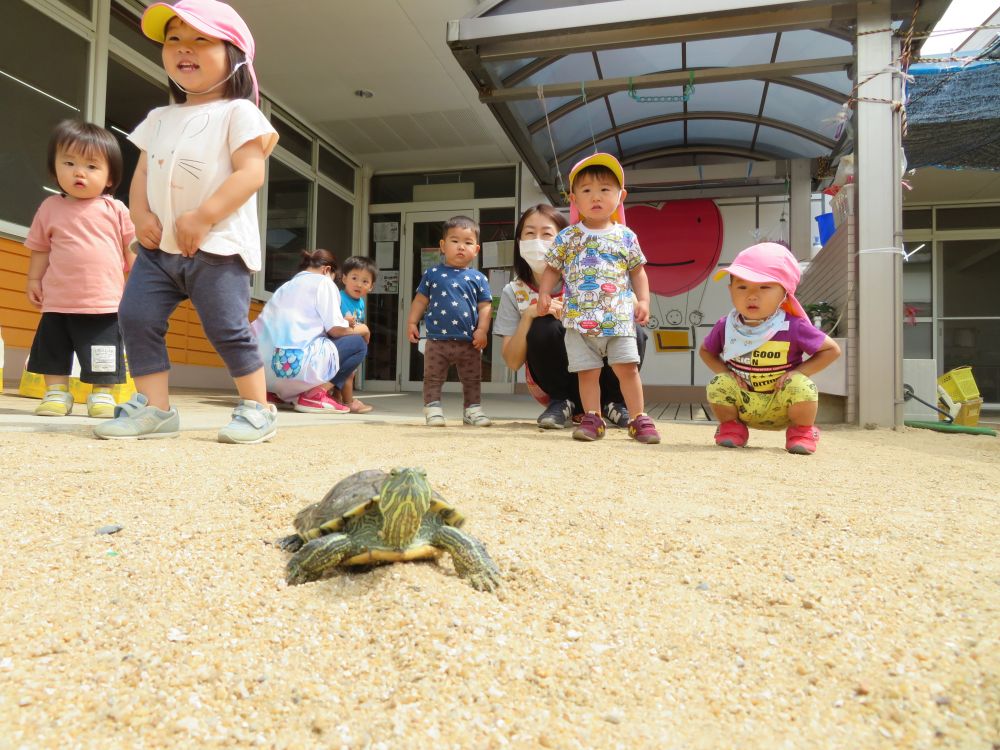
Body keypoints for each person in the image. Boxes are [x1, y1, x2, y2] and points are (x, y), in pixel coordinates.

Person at [95, 0, 279, 443]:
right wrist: (139, 215)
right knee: (135, 316)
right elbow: (141, 174)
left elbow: (251, 172)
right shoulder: (159, 117)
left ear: (234, 55)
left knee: (227, 328)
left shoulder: (239, 113)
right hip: (159, 250)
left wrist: (203, 216)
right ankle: (155, 410)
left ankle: (258, 407)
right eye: (174, 39)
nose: (183, 48)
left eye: (200, 39)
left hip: (218, 247)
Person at [537, 154, 660, 444]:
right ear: (574, 199)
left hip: (617, 319)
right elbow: (552, 268)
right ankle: (593, 417)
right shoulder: (567, 237)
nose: (596, 197)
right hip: (579, 320)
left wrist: (644, 301)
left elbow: (638, 272)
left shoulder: (626, 236)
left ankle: (639, 417)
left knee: (628, 368)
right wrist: (544, 292)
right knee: (587, 372)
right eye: (587, 191)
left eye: (605, 189)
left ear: (621, 196)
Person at [493, 204, 649, 430]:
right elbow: (513, 361)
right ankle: (562, 401)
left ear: (565, 240)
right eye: (529, 233)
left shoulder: (587, 274)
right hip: (556, 384)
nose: (538, 241)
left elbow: (631, 291)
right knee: (543, 326)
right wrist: (529, 315)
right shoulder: (513, 291)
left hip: (601, 376)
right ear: (519, 242)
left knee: (634, 332)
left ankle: (614, 402)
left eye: (547, 233)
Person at [24, 120, 135, 419]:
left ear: (110, 177)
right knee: (52, 350)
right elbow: (41, 248)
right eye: (69, 163)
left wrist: (137, 286)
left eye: (91, 166)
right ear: (54, 168)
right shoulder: (50, 208)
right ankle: (57, 393)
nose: (79, 172)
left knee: (103, 352)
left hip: (104, 302)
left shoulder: (116, 210)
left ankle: (101, 395)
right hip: (58, 300)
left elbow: (131, 250)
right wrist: (34, 279)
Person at [700, 242, 842, 455]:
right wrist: (726, 373)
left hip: (781, 403)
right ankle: (731, 427)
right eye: (742, 287)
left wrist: (798, 372)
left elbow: (831, 350)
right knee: (718, 384)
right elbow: (706, 351)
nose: (752, 295)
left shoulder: (793, 325)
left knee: (802, 385)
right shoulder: (726, 325)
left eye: (764, 287)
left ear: (785, 293)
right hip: (745, 402)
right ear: (730, 290)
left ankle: (802, 432)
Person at [252, 249, 368, 413]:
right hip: (291, 366)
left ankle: (273, 393)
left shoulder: (286, 286)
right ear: (327, 270)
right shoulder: (324, 282)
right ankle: (314, 395)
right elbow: (336, 330)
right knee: (358, 344)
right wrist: (364, 329)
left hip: (260, 371)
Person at [406, 215, 492, 427]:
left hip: (469, 341)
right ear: (443, 246)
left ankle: (472, 410)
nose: (461, 247)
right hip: (436, 340)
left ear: (477, 249)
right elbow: (419, 301)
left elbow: (485, 307)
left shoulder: (478, 278)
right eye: (455, 241)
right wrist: (411, 323)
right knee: (433, 378)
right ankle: (433, 409)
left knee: (472, 379)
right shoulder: (432, 274)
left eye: (468, 242)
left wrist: (482, 330)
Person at [334, 255, 378, 413]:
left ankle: (337, 398)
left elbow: (359, 322)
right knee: (348, 374)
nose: (359, 284)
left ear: (371, 286)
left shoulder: (360, 302)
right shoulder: (338, 297)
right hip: (337, 343)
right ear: (344, 278)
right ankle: (349, 401)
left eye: (365, 281)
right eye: (354, 278)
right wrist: (343, 320)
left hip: (352, 344)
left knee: (349, 372)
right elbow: (331, 322)